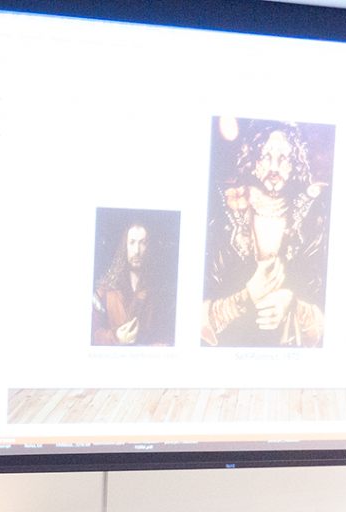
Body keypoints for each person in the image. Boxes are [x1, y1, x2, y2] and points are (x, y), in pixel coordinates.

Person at [202, 120, 330, 347]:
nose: (274, 168)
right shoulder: (223, 210)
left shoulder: (311, 216)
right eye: (265, 157)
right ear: (252, 160)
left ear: (295, 163)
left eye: (283, 159)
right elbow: (197, 317)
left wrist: (291, 303)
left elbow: (325, 313)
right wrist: (245, 297)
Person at [92, 222, 175, 346]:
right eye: (132, 243)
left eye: (142, 243)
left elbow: (169, 337)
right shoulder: (105, 291)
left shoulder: (161, 292)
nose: (136, 250)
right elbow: (92, 334)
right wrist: (115, 337)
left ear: (149, 246)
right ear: (125, 246)